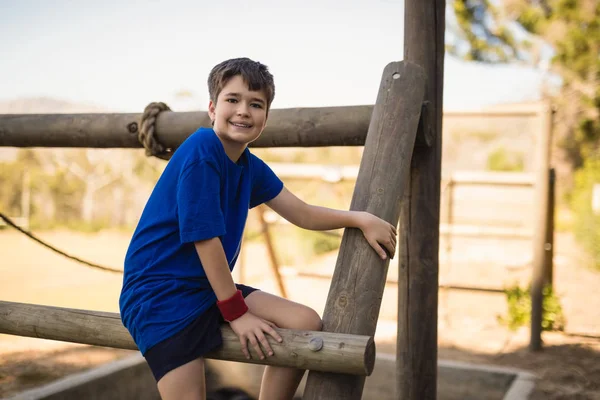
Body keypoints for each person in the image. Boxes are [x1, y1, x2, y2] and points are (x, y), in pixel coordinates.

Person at [119, 57, 397, 400]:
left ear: (266, 116)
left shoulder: (250, 167)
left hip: (206, 288)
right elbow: (204, 239)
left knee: (305, 322)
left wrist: (358, 219)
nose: (243, 111)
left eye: (256, 104)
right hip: (160, 295)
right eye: (232, 100)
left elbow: (303, 213)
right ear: (212, 107)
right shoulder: (201, 149)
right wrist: (236, 313)